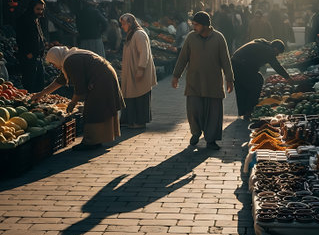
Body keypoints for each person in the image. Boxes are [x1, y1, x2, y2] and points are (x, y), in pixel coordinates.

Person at [32, 46, 124, 150]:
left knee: (92, 109)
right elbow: (60, 80)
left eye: (53, 63)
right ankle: (96, 140)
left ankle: (90, 142)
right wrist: (42, 93)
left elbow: (79, 86)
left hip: (101, 79)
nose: (54, 66)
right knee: (97, 108)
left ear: (56, 57)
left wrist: (73, 102)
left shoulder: (70, 61)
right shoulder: (69, 58)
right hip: (104, 76)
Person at [171, 11, 234, 150]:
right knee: (194, 110)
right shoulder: (191, 38)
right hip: (194, 82)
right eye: (193, 24)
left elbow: (225, 60)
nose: (194, 27)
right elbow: (183, 58)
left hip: (213, 83)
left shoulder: (218, 38)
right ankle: (196, 132)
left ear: (205, 25)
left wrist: (229, 79)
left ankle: (211, 140)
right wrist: (176, 75)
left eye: (196, 24)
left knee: (213, 113)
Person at [231, 39, 292, 120]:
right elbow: (276, 65)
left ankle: (244, 111)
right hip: (241, 65)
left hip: (236, 64)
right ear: (275, 48)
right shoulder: (268, 50)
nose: (277, 55)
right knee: (257, 82)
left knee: (242, 88)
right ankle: (249, 110)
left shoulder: (264, 45)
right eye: (278, 52)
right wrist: (287, 77)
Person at [119, 13, 157, 129]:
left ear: (130, 23)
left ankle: (139, 121)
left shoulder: (139, 34)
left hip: (139, 72)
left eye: (124, 24)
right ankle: (129, 120)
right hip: (131, 72)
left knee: (140, 97)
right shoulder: (131, 34)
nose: (122, 26)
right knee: (130, 95)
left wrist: (141, 69)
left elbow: (144, 53)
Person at [15, 0, 46, 92]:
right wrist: (28, 53)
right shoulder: (24, 19)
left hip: (38, 57)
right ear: (32, 7)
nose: (40, 11)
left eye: (41, 9)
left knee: (39, 84)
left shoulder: (35, 19)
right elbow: (20, 38)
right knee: (29, 85)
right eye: (38, 9)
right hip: (29, 57)